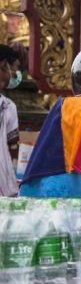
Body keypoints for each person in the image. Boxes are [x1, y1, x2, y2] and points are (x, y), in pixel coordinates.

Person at [0, 45, 19, 196]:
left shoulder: (7, 106)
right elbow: (13, 147)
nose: (11, 75)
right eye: (11, 69)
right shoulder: (7, 106)